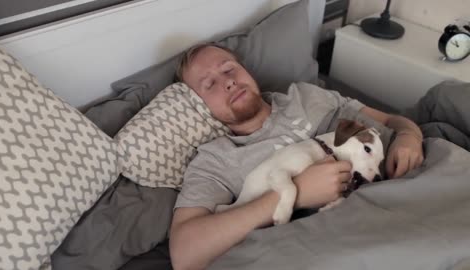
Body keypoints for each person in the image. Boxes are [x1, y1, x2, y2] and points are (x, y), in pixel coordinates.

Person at [169, 43, 424, 270]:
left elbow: (391, 120)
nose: (228, 82)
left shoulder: (306, 95)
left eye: (228, 69)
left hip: (402, 191)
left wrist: (410, 136)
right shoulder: (216, 159)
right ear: (199, 106)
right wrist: (296, 193)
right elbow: (185, 255)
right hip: (336, 240)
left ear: (246, 70)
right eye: (210, 84)